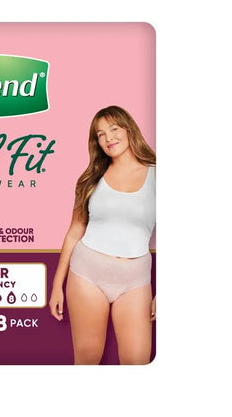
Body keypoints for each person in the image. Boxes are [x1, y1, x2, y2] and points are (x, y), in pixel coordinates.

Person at [49, 105, 156, 365]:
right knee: (87, 362)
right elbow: (74, 232)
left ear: (129, 129)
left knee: (137, 363)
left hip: (135, 281)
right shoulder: (91, 179)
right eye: (100, 134)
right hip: (87, 274)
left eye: (114, 129)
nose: (108, 138)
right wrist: (56, 286)